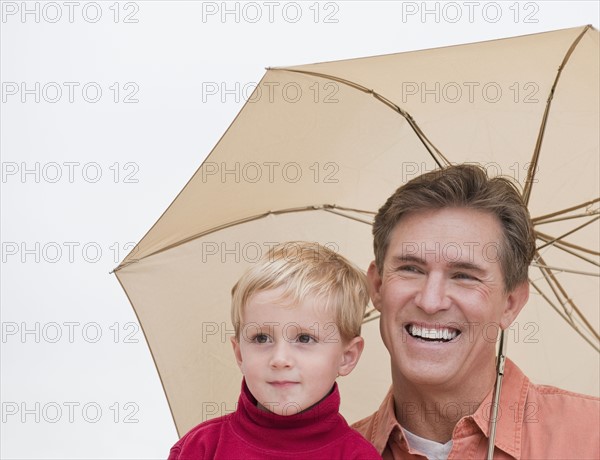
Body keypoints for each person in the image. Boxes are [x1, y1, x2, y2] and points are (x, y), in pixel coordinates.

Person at [353, 164, 600, 459]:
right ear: (378, 286)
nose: (430, 302)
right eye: (411, 269)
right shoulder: (330, 453)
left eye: (464, 275)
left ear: (510, 303)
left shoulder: (591, 438)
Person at [169, 241, 381, 459]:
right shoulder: (200, 448)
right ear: (240, 354)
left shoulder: (357, 456)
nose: (280, 359)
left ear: (347, 357)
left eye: (305, 338)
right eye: (261, 338)